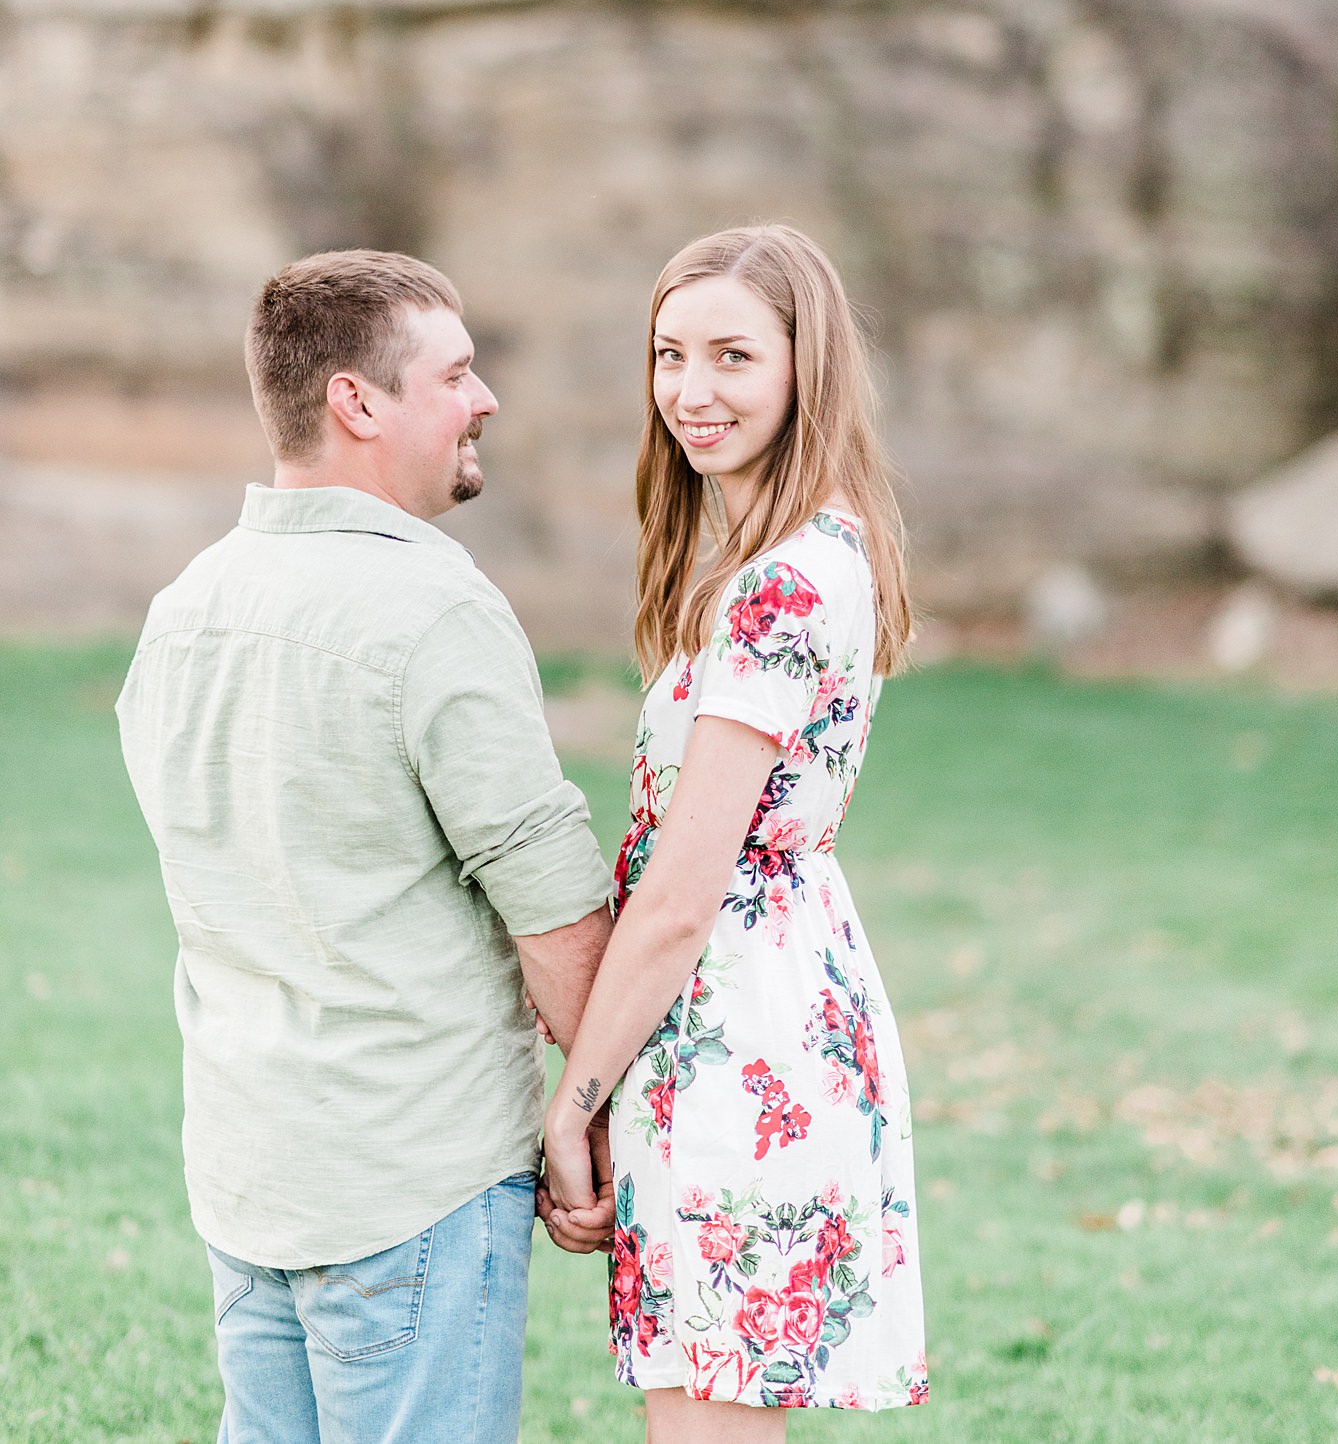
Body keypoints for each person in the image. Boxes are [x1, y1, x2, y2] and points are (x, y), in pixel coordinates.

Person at [117, 250, 615, 1444]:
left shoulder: (183, 610)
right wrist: (591, 1114)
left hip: (249, 1174)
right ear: (357, 402)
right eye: (455, 373)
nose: (484, 397)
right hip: (413, 1179)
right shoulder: (432, 609)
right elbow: (554, 912)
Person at [541, 224, 928, 1432]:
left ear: (805, 368)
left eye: (731, 357)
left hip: (740, 1037)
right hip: (775, 1008)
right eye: (669, 355)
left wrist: (574, 1101)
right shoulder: (815, 552)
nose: (691, 392)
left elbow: (679, 898)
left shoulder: (778, 585)